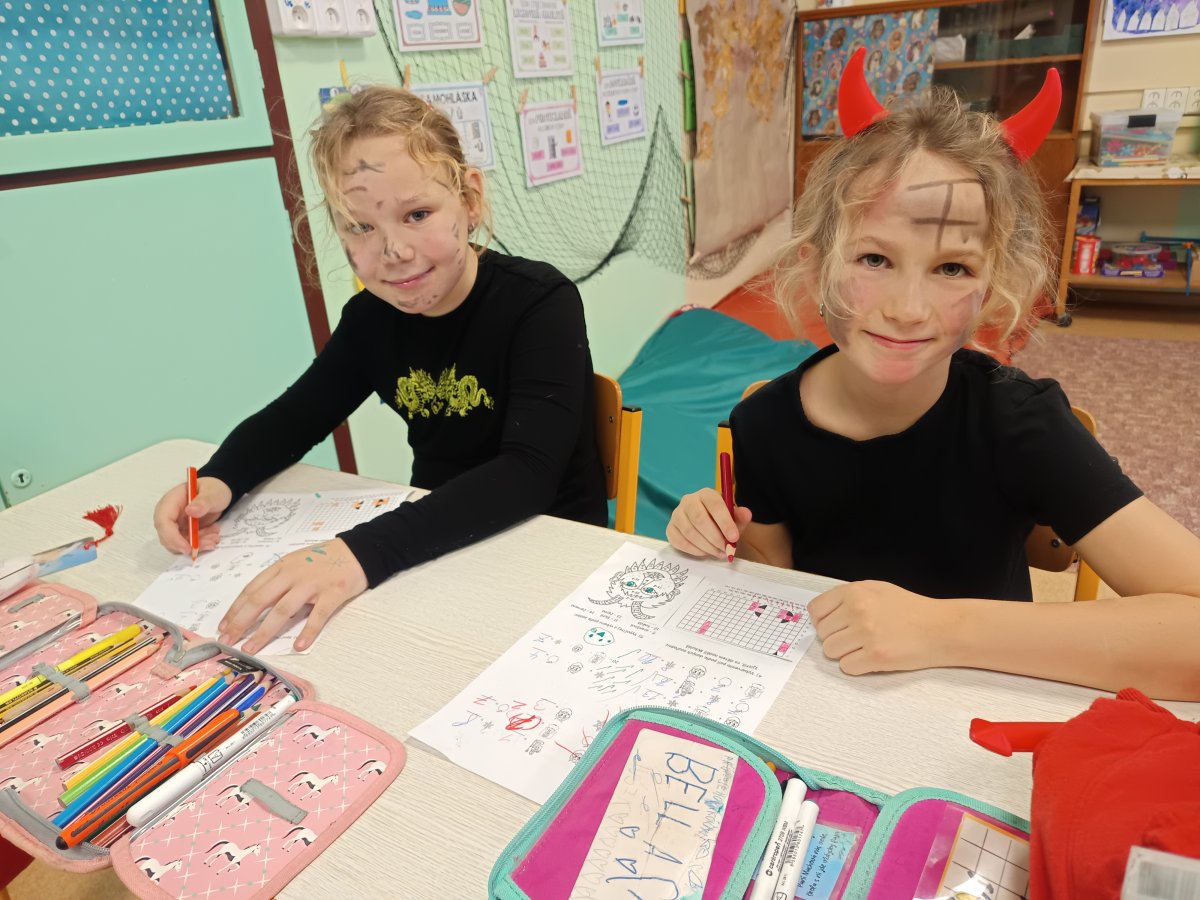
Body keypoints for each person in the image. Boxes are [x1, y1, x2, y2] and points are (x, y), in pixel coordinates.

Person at [667, 50, 1200, 701]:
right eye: (873, 258)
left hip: (974, 714)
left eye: (951, 268)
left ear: (992, 285)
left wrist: (941, 630)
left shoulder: (1019, 423)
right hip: (828, 707)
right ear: (815, 266)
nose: (907, 309)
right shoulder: (764, 424)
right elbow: (772, 589)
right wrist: (710, 537)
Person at [154, 86, 607, 653]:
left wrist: (359, 553)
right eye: (360, 226)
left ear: (470, 200)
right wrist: (219, 479)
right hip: (436, 544)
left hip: (553, 551)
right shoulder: (371, 319)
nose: (394, 251)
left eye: (417, 214)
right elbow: (294, 418)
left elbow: (527, 473)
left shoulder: (539, 302)